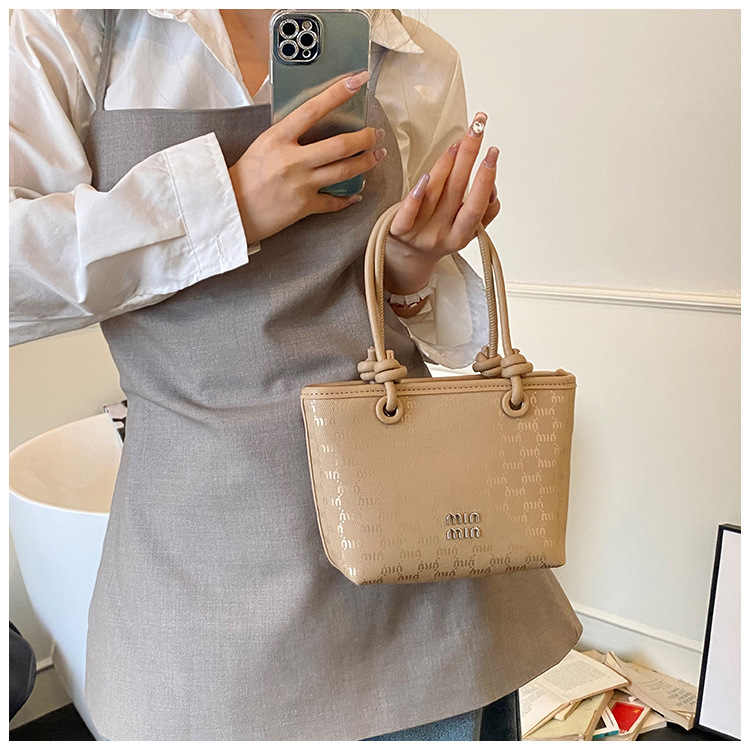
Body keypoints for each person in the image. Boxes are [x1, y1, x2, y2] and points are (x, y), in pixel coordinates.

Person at [9, 9, 582, 741]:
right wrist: (227, 204)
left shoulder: (410, 53)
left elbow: (400, 315)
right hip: (198, 582)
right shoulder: (74, 27)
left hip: (420, 576)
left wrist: (410, 262)